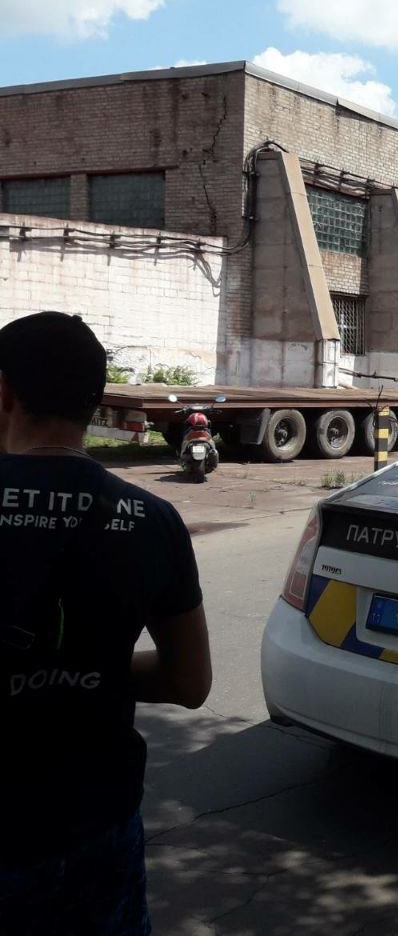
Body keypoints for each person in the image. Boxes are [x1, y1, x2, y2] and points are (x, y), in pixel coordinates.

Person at [0, 312, 211, 935]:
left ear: (5, 393)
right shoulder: (153, 518)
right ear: (94, 402)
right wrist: (84, 668)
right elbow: (189, 682)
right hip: (97, 824)